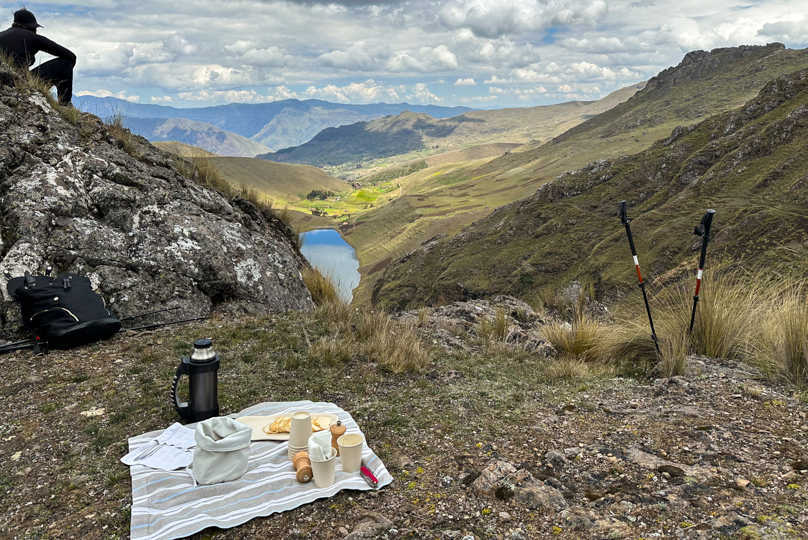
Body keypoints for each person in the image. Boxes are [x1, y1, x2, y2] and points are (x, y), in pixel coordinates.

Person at [0, 8, 76, 106]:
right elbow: (71, 56)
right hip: (23, 82)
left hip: (4, 84)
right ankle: (65, 104)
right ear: (31, 27)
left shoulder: (1, 35)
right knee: (66, 62)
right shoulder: (33, 37)